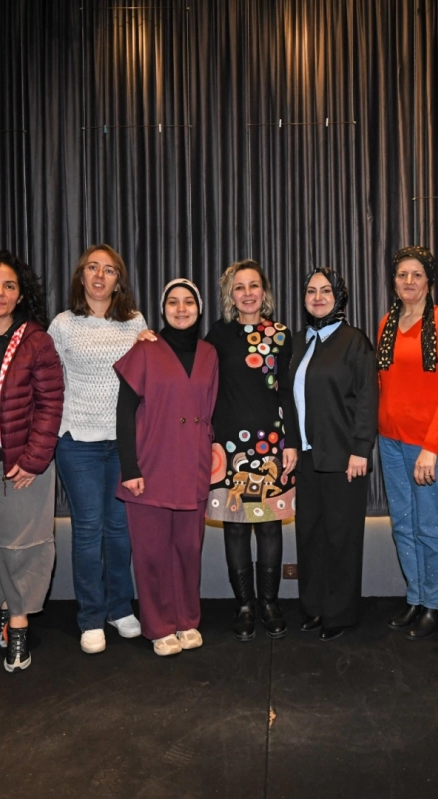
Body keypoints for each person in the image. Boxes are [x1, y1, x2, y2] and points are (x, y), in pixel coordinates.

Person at [0, 250, 64, 673]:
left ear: (20, 295)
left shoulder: (36, 340)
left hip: (23, 465)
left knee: (21, 546)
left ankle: (18, 623)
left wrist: (35, 458)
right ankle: (3, 605)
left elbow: (51, 403)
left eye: (9, 286)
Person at [49, 245, 146, 654]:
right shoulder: (63, 324)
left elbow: (147, 377)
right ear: (82, 276)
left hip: (124, 444)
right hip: (78, 442)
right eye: (93, 267)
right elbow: (48, 382)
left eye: (109, 270)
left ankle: (120, 608)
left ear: (118, 280)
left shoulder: (135, 322)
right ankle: (91, 616)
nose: (100, 276)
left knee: (121, 530)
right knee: (89, 529)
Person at [115, 279, 219, 657]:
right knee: (152, 553)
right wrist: (130, 468)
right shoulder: (145, 349)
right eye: (173, 302)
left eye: (188, 301)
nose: (181, 308)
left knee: (188, 549)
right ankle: (159, 626)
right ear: (163, 309)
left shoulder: (209, 353)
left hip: (193, 464)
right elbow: (124, 412)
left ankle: (187, 620)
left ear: (199, 308)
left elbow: (211, 410)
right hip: (151, 465)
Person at [204, 260, 298, 641]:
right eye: (239, 287)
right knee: (236, 529)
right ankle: (244, 605)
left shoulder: (280, 334)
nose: (247, 293)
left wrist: (291, 442)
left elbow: (286, 392)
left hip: (271, 444)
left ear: (264, 291)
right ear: (230, 294)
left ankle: (269, 604)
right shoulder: (217, 335)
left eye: (254, 285)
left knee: (270, 526)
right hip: (228, 447)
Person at [376, 246, 438, 639]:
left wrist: (432, 447)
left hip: (429, 445)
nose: (408, 281)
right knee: (403, 525)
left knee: (430, 525)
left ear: (429, 280)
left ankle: (436, 603)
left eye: (416, 274)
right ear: (394, 282)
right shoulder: (387, 323)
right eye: (402, 275)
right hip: (390, 442)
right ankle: (415, 596)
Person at [289, 267, 378, 641]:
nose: (318, 297)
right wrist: (291, 444)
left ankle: (338, 613)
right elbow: (287, 400)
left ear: (339, 297)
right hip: (307, 458)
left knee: (341, 538)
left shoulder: (354, 341)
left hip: (344, 458)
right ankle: (313, 607)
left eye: (326, 291)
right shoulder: (298, 341)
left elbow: (368, 397)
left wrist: (361, 449)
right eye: (311, 291)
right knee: (309, 535)